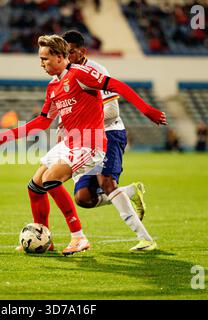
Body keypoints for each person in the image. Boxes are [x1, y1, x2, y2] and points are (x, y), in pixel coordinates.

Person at [0, 35, 166, 255]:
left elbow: (116, 85)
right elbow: (43, 121)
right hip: (70, 143)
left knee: (50, 179)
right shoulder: (53, 86)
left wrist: (147, 110)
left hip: (90, 144)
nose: (41, 63)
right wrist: (8, 135)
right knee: (35, 186)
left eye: (45, 58)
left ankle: (79, 238)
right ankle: (43, 236)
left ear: (60, 56)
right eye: (40, 59)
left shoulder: (80, 75)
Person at [61, 30, 147, 221]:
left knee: (107, 183)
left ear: (82, 52)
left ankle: (144, 238)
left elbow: (112, 111)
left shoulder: (96, 70)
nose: (67, 57)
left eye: (71, 52)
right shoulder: (66, 75)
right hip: (86, 139)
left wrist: (81, 122)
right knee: (83, 198)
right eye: (63, 53)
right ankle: (129, 192)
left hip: (109, 133)